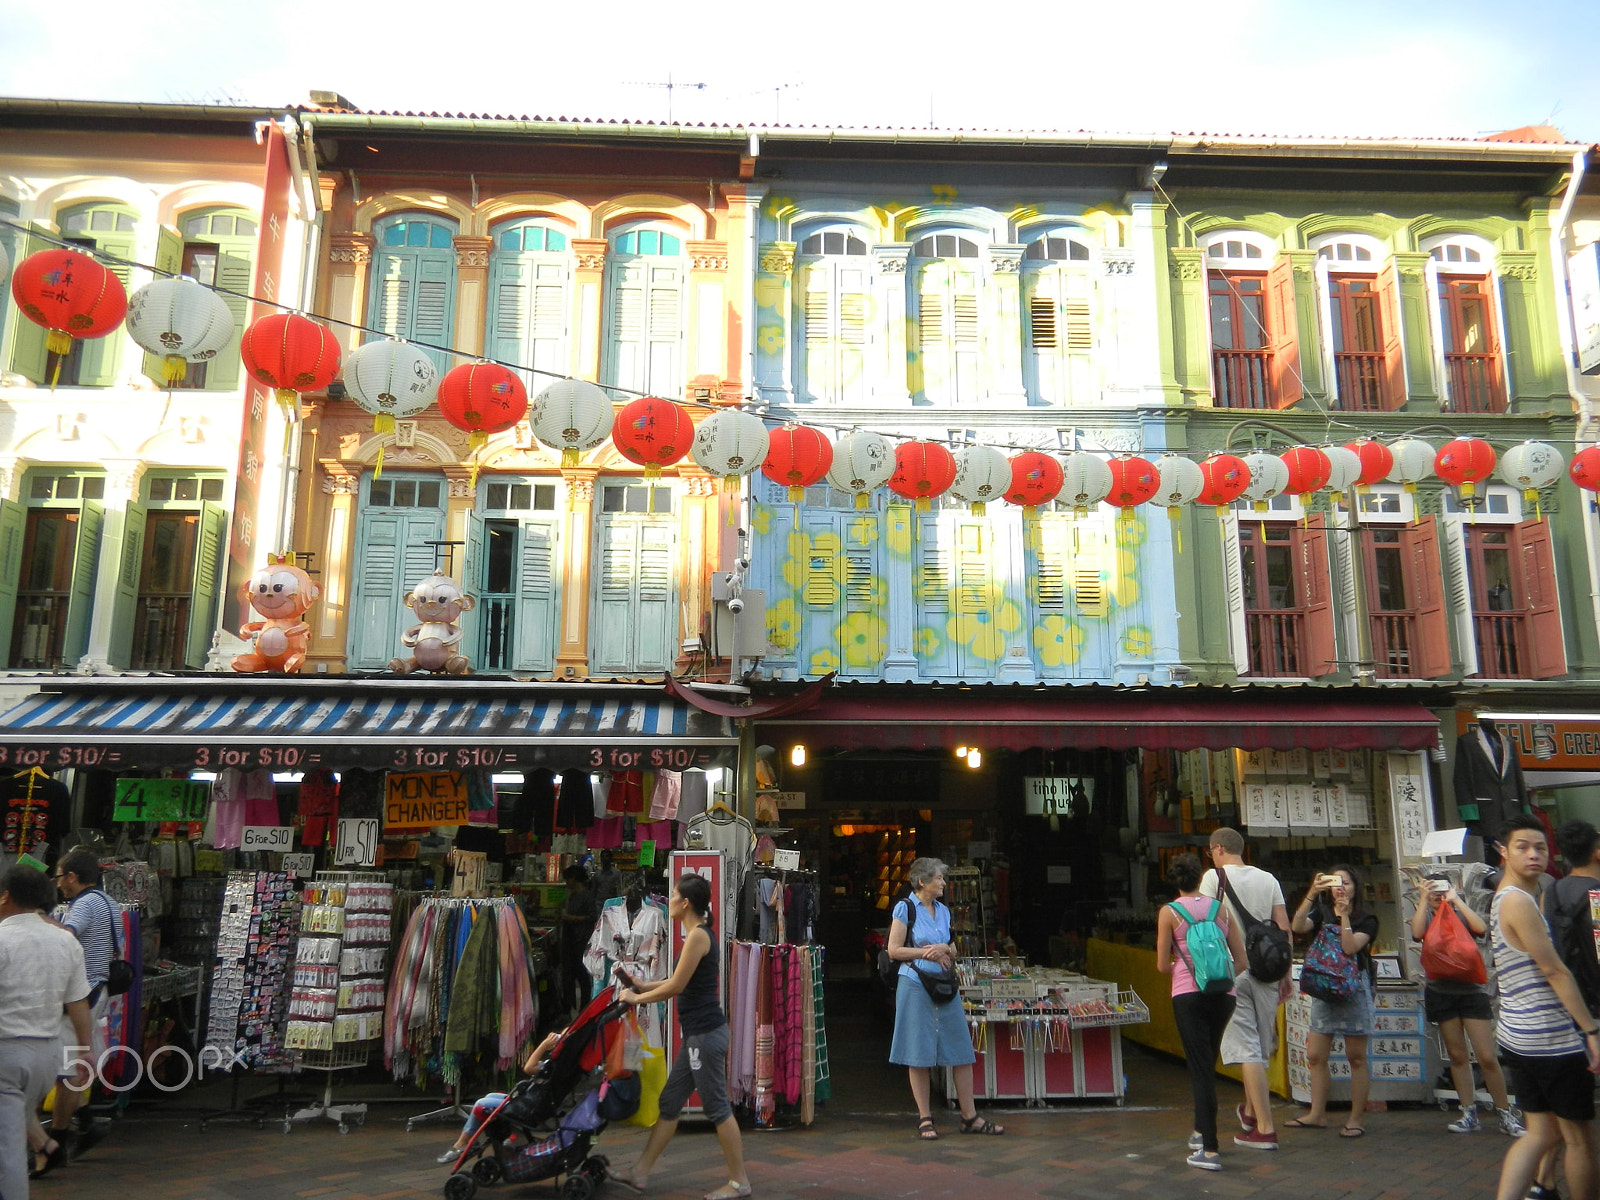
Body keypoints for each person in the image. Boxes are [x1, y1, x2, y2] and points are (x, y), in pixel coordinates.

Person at [611, 873, 751, 1200]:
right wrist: (640, 986)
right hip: (696, 1037)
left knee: (717, 1108)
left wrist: (636, 999)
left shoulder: (698, 937)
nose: (669, 900)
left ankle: (739, 1182)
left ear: (685, 902)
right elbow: (675, 980)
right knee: (671, 1102)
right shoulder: (696, 936)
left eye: (673, 895)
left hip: (705, 1036)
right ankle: (640, 1171)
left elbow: (675, 987)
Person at [1491, 815, 1600, 1200]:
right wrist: (1590, 1031)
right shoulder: (1519, 902)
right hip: (1550, 1038)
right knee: (1581, 1139)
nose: (1534, 855)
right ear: (1503, 852)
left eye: (1540, 847)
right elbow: (1554, 971)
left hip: (1518, 1035)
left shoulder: (1507, 897)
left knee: (1541, 1133)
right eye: (1522, 847)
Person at [886, 857, 1003, 1140]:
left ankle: (969, 1116)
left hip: (944, 986)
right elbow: (893, 950)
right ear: (922, 881)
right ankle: (925, 1118)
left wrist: (944, 950)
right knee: (919, 1053)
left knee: (961, 1050)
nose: (944, 883)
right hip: (915, 984)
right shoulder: (905, 908)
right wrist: (926, 952)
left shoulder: (944, 910)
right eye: (939, 878)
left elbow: (952, 948)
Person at [0, 863, 93, 1200]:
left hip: (6, 1053)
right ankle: (44, 1144)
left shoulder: (3, 938)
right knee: (14, 1126)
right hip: (45, 1057)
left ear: (6, 897)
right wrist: (85, 1050)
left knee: (6, 1150)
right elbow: (78, 1002)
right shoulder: (64, 940)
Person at [1409, 872, 1524, 1135]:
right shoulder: (1426, 912)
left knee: (1486, 1056)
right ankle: (1468, 1112)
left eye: (1441, 888)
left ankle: (1505, 1113)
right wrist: (1424, 900)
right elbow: (1416, 934)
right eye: (1432, 888)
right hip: (1441, 992)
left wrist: (1456, 900)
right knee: (1458, 1055)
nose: (1438, 893)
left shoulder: (1458, 911)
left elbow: (1481, 928)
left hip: (1471, 991)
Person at [1199, 827, 1290, 1150]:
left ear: (1218, 849)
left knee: (1247, 1049)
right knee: (1259, 1048)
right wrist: (1286, 973)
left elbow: (1206, 922)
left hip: (1232, 969)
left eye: (1211, 851)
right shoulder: (1269, 880)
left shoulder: (1214, 878)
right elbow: (1283, 928)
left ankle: (1264, 1129)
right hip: (1268, 970)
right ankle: (1250, 1113)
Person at [1158, 852, 1247, 1170]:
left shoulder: (1169, 912)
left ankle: (1209, 1149)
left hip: (1188, 996)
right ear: (1200, 878)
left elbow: (1161, 965)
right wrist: (1219, 980)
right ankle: (1199, 1132)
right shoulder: (1220, 909)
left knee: (1200, 1071)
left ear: (1175, 881)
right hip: (1224, 995)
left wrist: (1183, 967)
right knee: (1206, 1064)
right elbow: (1241, 959)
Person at [1532, 820, 1600, 1198]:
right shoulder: (1597, 894)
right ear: (1596, 852)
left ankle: (1543, 1181)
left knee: (1562, 1114)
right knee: (1578, 1122)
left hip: (1561, 1005)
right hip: (1591, 1007)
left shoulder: (1550, 891)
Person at [1287, 863, 1376, 1136]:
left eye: (1346, 883)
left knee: (1356, 1057)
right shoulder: (1321, 912)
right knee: (1315, 1055)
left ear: (1356, 888)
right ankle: (1317, 1114)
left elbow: (1350, 948)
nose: (1341, 888)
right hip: (1325, 989)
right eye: (1336, 882)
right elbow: (1297, 925)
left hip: (1354, 991)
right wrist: (1312, 892)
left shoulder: (1367, 919)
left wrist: (1344, 917)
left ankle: (1355, 1119)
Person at [43, 848, 122, 1157]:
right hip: (96, 988)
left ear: (72, 877)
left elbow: (65, 936)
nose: (59, 884)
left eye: (60, 877)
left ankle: (58, 1140)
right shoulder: (107, 901)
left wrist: (34, 918)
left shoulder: (86, 903)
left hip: (83, 992)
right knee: (77, 1065)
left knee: (69, 1070)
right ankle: (87, 1123)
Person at [436, 1030, 563, 1162]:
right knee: (490, 1096)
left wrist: (543, 1045)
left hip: (529, 1107)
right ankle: (505, 1136)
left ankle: (461, 1144)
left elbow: (528, 1068)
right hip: (532, 1101)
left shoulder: (554, 1066)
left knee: (481, 1104)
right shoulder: (558, 1066)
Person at [560, 864, 598, 1018]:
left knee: (582, 974)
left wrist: (572, 918)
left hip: (582, 939)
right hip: (570, 938)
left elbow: (592, 917)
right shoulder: (572, 895)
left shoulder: (586, 896)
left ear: (574, 879)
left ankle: (585, 1008)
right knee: (569, 974)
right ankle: (569, 1008)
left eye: (568, 879)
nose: (567, 882)